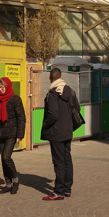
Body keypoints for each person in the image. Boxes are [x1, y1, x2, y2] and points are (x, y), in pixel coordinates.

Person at [40, 67, 80, 200]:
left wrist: (45, 126)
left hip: (56, 132)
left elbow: (53, 114)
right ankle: (67, 188)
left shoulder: (52, 94)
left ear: (50, 78)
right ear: (61, 77)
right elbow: (77, 108)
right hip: (67, 131)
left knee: (59, 162)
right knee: (67, 159)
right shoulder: (70, 91)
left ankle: (59, 191)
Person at [0, 76, 26, 194]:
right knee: (3, 159)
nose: (0, 89)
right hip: (0, 133)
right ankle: (8, 183)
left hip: (11, 133)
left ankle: (15, 179)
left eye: (2, 87)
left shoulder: (16, 99)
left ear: (7, 86)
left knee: (6, 157)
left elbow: (21, 118)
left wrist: (20, 135)